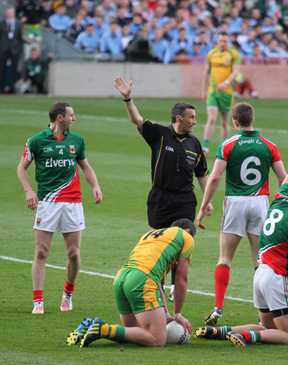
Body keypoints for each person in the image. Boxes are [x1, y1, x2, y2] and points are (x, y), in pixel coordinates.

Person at [195, 117, 288, 346]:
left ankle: (219, 332)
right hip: (276, 278)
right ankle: (245, 336)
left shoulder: (281, 197)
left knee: (269, 327)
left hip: (260, 277)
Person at [114, 76, 212, 301]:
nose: (195, 122)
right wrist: (128, 98)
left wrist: (207, 201)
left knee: (182, 243)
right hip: (161, 198)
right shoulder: (159, 134)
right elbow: (136, 119)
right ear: (179, 118)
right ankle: (158, 284)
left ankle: (177, 288)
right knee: (159, 245)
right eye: (192, 118)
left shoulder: (195, 143)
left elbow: (202, 175)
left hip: (186, 200)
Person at [196, 102, 286, 325]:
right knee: (261, 260)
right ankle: (266, 311)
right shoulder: (269, 145)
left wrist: (203, 205)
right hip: (260, 202)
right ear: (252, 118)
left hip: (235, 202)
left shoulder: (228, 143)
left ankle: (218, 307)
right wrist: (278, 205)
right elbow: (284, 178)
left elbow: (215, 177)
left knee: (225, 258)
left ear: (235, 122)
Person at [17, 102, 103, 315]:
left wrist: (96, 186)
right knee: (41, 251)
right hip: (47, 203)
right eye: (71, 116)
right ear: (59, 118)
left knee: (73, 253)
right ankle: (38, 301)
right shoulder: (36, 141)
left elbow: (85, 166)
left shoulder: (77, 140)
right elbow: (21, 168)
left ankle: (68, 294)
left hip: (73, 203)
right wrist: (29, 190)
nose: (74, 119)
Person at [67, 219, 196, 348]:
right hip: (141, 280)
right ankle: (102, 329)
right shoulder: (186, 237)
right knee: (157, 340)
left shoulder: (152, 234)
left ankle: (90, 326)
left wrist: (167, 316)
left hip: (122, 278)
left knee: (136, 334)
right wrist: (178, 315)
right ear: (188, 231)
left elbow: (157, 283)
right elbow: (181, 278)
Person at [201, 32, 241, 155]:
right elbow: (206, 72)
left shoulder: (233, 53)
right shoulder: (211, 53)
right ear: (217, 42)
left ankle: (224, 148)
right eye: (221, 41)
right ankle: (205, 148)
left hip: (227, 93)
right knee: (211, 118)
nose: (223, 43)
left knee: (224, 121)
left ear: (228, 42)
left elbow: (236, 71)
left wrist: (226, 82)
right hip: (213, 91)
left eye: (225, 41)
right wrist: (203, 90)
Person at [0, 7, 23, 94]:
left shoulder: (19, 24)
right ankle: (1, 89)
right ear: (6, 14)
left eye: (11, 13)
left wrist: (19, 50)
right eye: (8, 13)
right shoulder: (1, 23)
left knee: (14, 70)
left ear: (14, 13)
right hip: (3, 49)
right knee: (2, 70)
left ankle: (12, 89)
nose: (9, 14)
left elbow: (20, 38)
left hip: (14, 50)